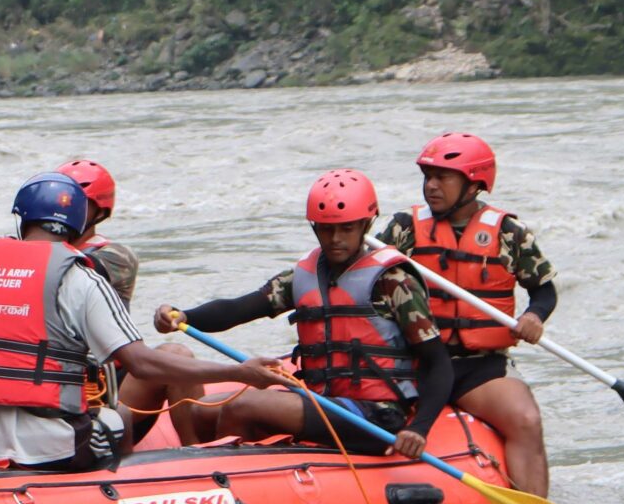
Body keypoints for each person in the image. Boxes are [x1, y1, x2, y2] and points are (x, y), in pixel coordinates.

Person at [0, 173, 286, 470]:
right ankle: (120, 494)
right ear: (79, 225)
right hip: (49, 445)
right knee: (118, 417)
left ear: (22, 221)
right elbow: (142, 364)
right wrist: (239, 372)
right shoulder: (81, 278)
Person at [152, 170, 456, 458]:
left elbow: (437, 362)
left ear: (365, 225)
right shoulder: (303, 275)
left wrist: (419, 428)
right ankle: (201, 468)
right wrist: (182, 317)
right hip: (323, 402)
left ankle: (229, 478)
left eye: (346, 228)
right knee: (200, 409)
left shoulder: (393, 281)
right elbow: (238, 309)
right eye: (326, 228)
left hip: (376, 414)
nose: (336, 238)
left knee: (241, 406)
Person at [375, 132, 556, 496]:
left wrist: (534, 316)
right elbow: (369, 277)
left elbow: (543, 289)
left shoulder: (509, 233)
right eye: (428, 176)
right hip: (417, 360)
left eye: (444, 177)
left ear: (474, 184)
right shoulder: (404, 229)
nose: (432, 186)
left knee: (526, 419)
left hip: (480, 365)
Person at [0, 158, 136, 302]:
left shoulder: (117, 256)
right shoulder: (26, 245)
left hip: (94, 354)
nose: (66, 208)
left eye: (79, 203)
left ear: (100, 212)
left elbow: (58, 267)